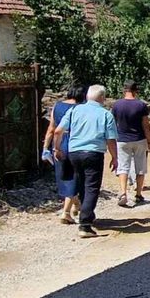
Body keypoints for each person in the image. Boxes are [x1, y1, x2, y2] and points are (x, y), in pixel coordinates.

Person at [55, 85, 118, 236]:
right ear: (102, 98)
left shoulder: (74, 110)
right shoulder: (105, 115)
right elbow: (110, 139)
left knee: (82, 183)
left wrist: (57, 149)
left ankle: (87, 213)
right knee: (92, 187)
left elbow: (58, 131)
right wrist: (115, 157)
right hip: (93, 153)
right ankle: (85, 224)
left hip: (74, 153)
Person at [42, 83, 85, 224]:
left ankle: (76, 203)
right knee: (76, 178)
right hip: (75, 142)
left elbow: (51, 128)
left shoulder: (57, 106)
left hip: (59, 142)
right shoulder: (81, 108)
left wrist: (46, 148)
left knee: (65, 176)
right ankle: (66, 212)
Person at [111, 80, 150, 208]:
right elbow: (146, 125)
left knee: (123, 167)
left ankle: (123, 193)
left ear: (124, 90)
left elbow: (113, 123)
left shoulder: (117, 105)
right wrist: (149, 140)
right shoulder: (141, 105)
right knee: (140, 167)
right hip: (139, 139)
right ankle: (138, 194)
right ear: (136, 90)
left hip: (122, 139)